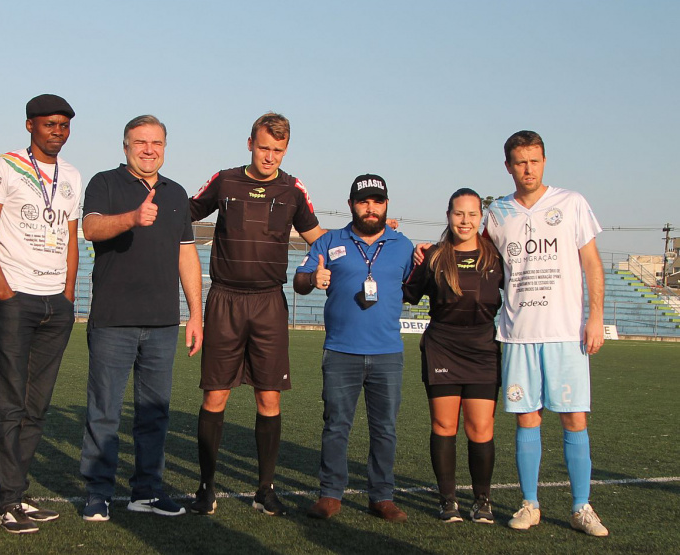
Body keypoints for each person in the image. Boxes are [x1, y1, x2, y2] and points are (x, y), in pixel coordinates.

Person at [189, 113, 325, 516]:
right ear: (250, 142)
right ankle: (205, 487)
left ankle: (264, 490)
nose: (270, 157)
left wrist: (366, 237)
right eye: (264, 147)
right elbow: (187, 213)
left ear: (286, 150)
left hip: (268, 302)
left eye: (278, 151)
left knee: (269, 398)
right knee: (215, 395)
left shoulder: (292, 189)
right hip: (225, 300)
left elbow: (319, 239)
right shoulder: (226, 180)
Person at [78, 115, 203, 522]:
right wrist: (132, 218)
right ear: (126, 145)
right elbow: (91, 227)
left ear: (165, 146)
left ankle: (146, 491)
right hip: (113, 320)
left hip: (163, 323)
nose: (149, 149)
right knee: (104, 411)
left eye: (157, 142)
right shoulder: (105, 183)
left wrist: (196, 315)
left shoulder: (176, 193)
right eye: (140, 142)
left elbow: (187, 253)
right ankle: (98, 493)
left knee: (154, 413)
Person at [485, 130, 608, 536]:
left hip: (566, 333)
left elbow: (591, 263)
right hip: (519, 333)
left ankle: (581, 507)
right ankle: (530, 504)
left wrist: (595, 317)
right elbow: (472, 249)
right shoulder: (497, 213)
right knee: (527, 419)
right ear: (508, 166)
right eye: (520, 162)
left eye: (534, 160)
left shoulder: (571, 203)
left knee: (574, 418)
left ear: (544, 161)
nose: (528, 169)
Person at [0, 94, 82, 534]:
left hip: (54, 303)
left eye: (63, 125)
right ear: (30, 126)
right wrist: (3, 290)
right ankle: (5, 502)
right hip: (15, 297)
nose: (57, 131)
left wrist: (67, 294)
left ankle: (18, 495)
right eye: (49, 124)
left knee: (36, 405)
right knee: (9, 401)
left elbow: (72, 238)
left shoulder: (73, 175)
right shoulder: (5, 166)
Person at [294, 174, 414, 522]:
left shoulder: (402, 245)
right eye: (363, 201)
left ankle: (382, 496)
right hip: (341, 350)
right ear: (351, 205)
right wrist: (312, 279)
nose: (370, 207)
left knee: (385, 428)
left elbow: (415, 286)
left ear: (386, 204)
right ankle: (330, 494)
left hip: (387, 352)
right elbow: (299, 281)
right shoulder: (330, 241)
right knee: (335, 425)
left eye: (377, 201)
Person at [402, 188, 503, 524]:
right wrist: (410, 255)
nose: (465, 220)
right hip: (442, 345)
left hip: (483, 349)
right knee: (444, 425)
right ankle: (448, 501)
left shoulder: (496, 256)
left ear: (481, 218)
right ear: (448, 215)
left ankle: (482, 501)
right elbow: (407, 294)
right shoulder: (434, 257)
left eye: (472, 214)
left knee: (481, 427)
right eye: (459, 213)